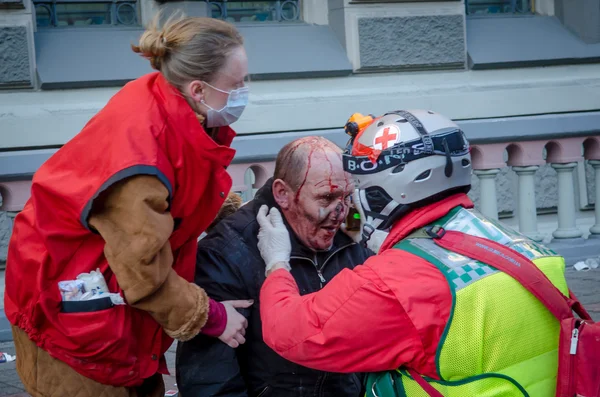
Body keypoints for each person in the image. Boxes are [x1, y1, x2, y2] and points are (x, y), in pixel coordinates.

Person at [5, 15, 252, 397]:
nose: (245, 91)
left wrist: (241, 216)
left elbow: (182, 192)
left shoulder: (170, 102)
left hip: (100, 297)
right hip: (70, 312)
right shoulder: (140, 159)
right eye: (236, 84)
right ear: (199, 89)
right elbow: (143, 273)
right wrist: (212, 317)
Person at [256, 110, 571, 396]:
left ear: (382, 192)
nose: (350, 209)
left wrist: (277, 263)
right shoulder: (522, 247)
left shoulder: (395, 284)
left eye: (359, 191)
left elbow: (291, 333)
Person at [176, 136, 374, 397]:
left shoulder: (351, 230)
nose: (340, 212)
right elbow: (210, 381)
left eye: (347, 196)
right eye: (326, 197)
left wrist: (372, 239)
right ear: (283, 194)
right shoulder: (227, 252)